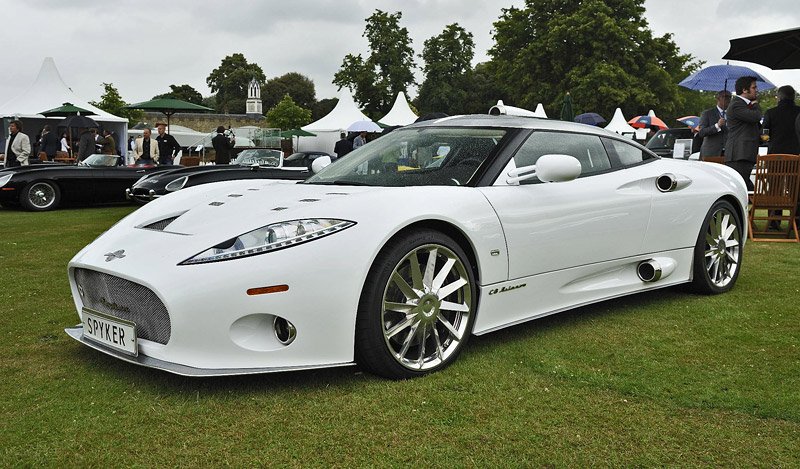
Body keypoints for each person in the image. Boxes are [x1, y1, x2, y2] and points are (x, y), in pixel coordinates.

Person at [725, 76, 762, 191]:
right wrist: (755, 104)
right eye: (754, 87)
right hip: (739, 153)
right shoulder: (736, 104)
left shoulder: (745, 105)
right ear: (745, 90)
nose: (756, 90)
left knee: (743, 184)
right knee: (741, 186)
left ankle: (755, 202)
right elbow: (755, 117)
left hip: (745, 153)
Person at [763, 85, 800, 155]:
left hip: (774, 155)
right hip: (797, 156)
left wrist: (766, 141)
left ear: (779, 98)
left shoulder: (770, 113)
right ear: (794, 97)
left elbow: (764, 134)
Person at [697, 90, 731, 159]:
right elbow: (701, 132)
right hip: (710, 154)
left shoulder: (732, 115)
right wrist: (717, 126)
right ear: (718, 98)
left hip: (728, 154)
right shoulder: (707, 113)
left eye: (730, 97)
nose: (728, 99)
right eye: (725, 97)